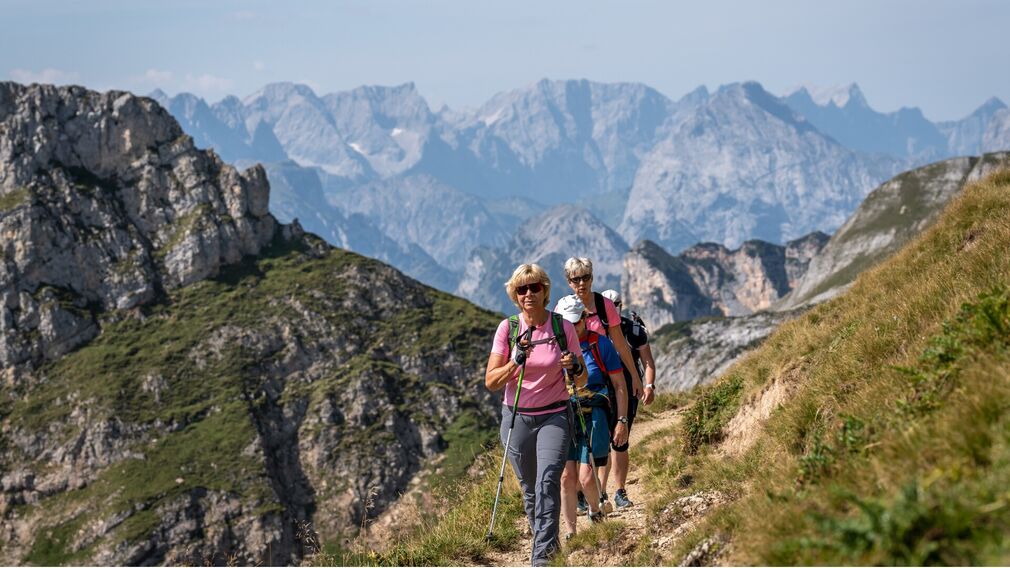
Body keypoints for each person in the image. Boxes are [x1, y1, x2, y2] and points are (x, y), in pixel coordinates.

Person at [485, 263, 587, 566]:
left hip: (555, 415)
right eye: (522, 289)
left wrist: (575, 367)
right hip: (517, 417)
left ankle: (540, 560)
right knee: (530, 489)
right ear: (515, 295)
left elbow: (582, 379)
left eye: (534, 287)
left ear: (545, 290)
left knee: (547, 482)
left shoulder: (562, 327)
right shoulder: (508, 329)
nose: (528, 293)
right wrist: (516, 360)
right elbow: (491, 381)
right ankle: (549, 545)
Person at [564, 257, 642, 512]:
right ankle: (593, 493)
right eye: (576, 279)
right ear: (568, 281)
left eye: (586, 277)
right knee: (589, 439)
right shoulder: (563, 309)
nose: (581, 283)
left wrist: (635, 376)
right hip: (581, 383)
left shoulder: (604, 305)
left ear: (592, 277)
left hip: (611, 374)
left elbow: (620, 343)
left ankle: (616, 491)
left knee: (618, 434)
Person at [555, 295, 629, 540]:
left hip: (593, 414)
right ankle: (571, 532)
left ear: (585, 318)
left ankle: (595, 509)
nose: (572, 328)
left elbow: (619, 384)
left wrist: (621, 420)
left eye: (576, 322)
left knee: (587, 478)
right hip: (564, 414)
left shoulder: (601, 344)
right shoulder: (553, 348)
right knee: (566, 477)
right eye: (566, 323)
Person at [599, 289, 656, 509]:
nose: (612, 309)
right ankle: (600, 493)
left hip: (628, 391)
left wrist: (649, 386)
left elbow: (647, 361)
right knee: (602, 441)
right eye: (608, 305)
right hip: (602, 391)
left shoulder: (634, 330)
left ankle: (619, 491)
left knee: (620, 441)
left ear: (620, 306)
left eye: (615, 305)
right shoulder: (594, 329)